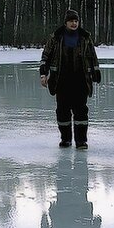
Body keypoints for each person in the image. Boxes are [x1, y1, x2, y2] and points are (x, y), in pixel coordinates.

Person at [39, 9, 101, 149]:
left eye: (76, 21)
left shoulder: (85, 37)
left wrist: (96, 71)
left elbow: (92, 56)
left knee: (81, 111)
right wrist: (43, 74)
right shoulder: (56, 37)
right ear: (66, 22)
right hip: (61, 80)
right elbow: (45, 57)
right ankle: (65, 139)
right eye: (71, 21)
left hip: (81, 80)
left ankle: (81, 141)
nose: (74, 23)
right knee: (62, 111)